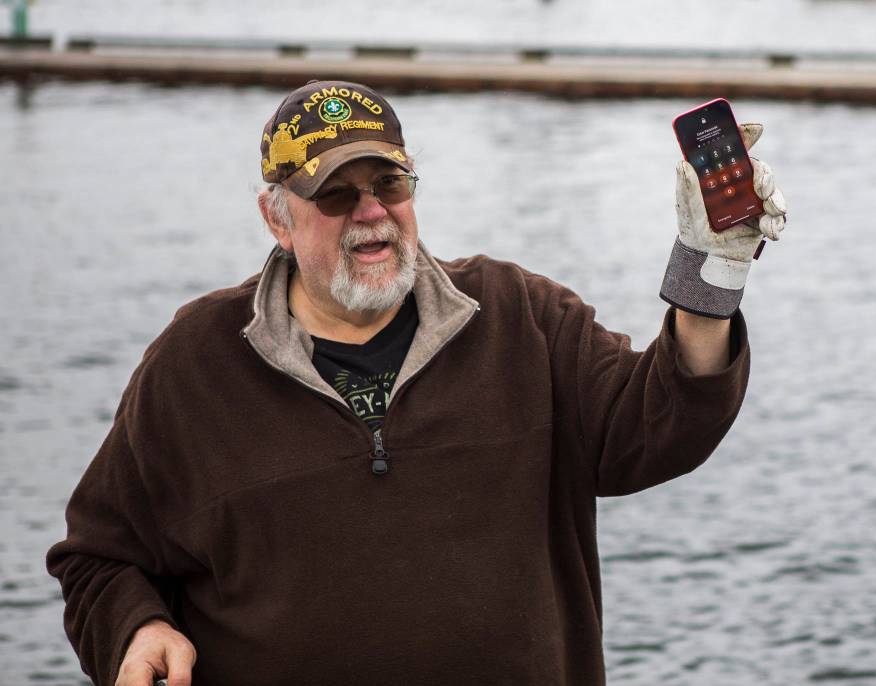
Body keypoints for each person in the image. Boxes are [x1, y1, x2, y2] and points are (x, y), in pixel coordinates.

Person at [47, 80, 787, 686]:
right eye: (335, 194)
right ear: (276, 217)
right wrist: (137, 630)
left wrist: (710, 271)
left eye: (388, 183)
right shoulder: (194, 364)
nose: (371, 213)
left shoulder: (520, 315)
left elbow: (654, 429)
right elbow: (98, 557)